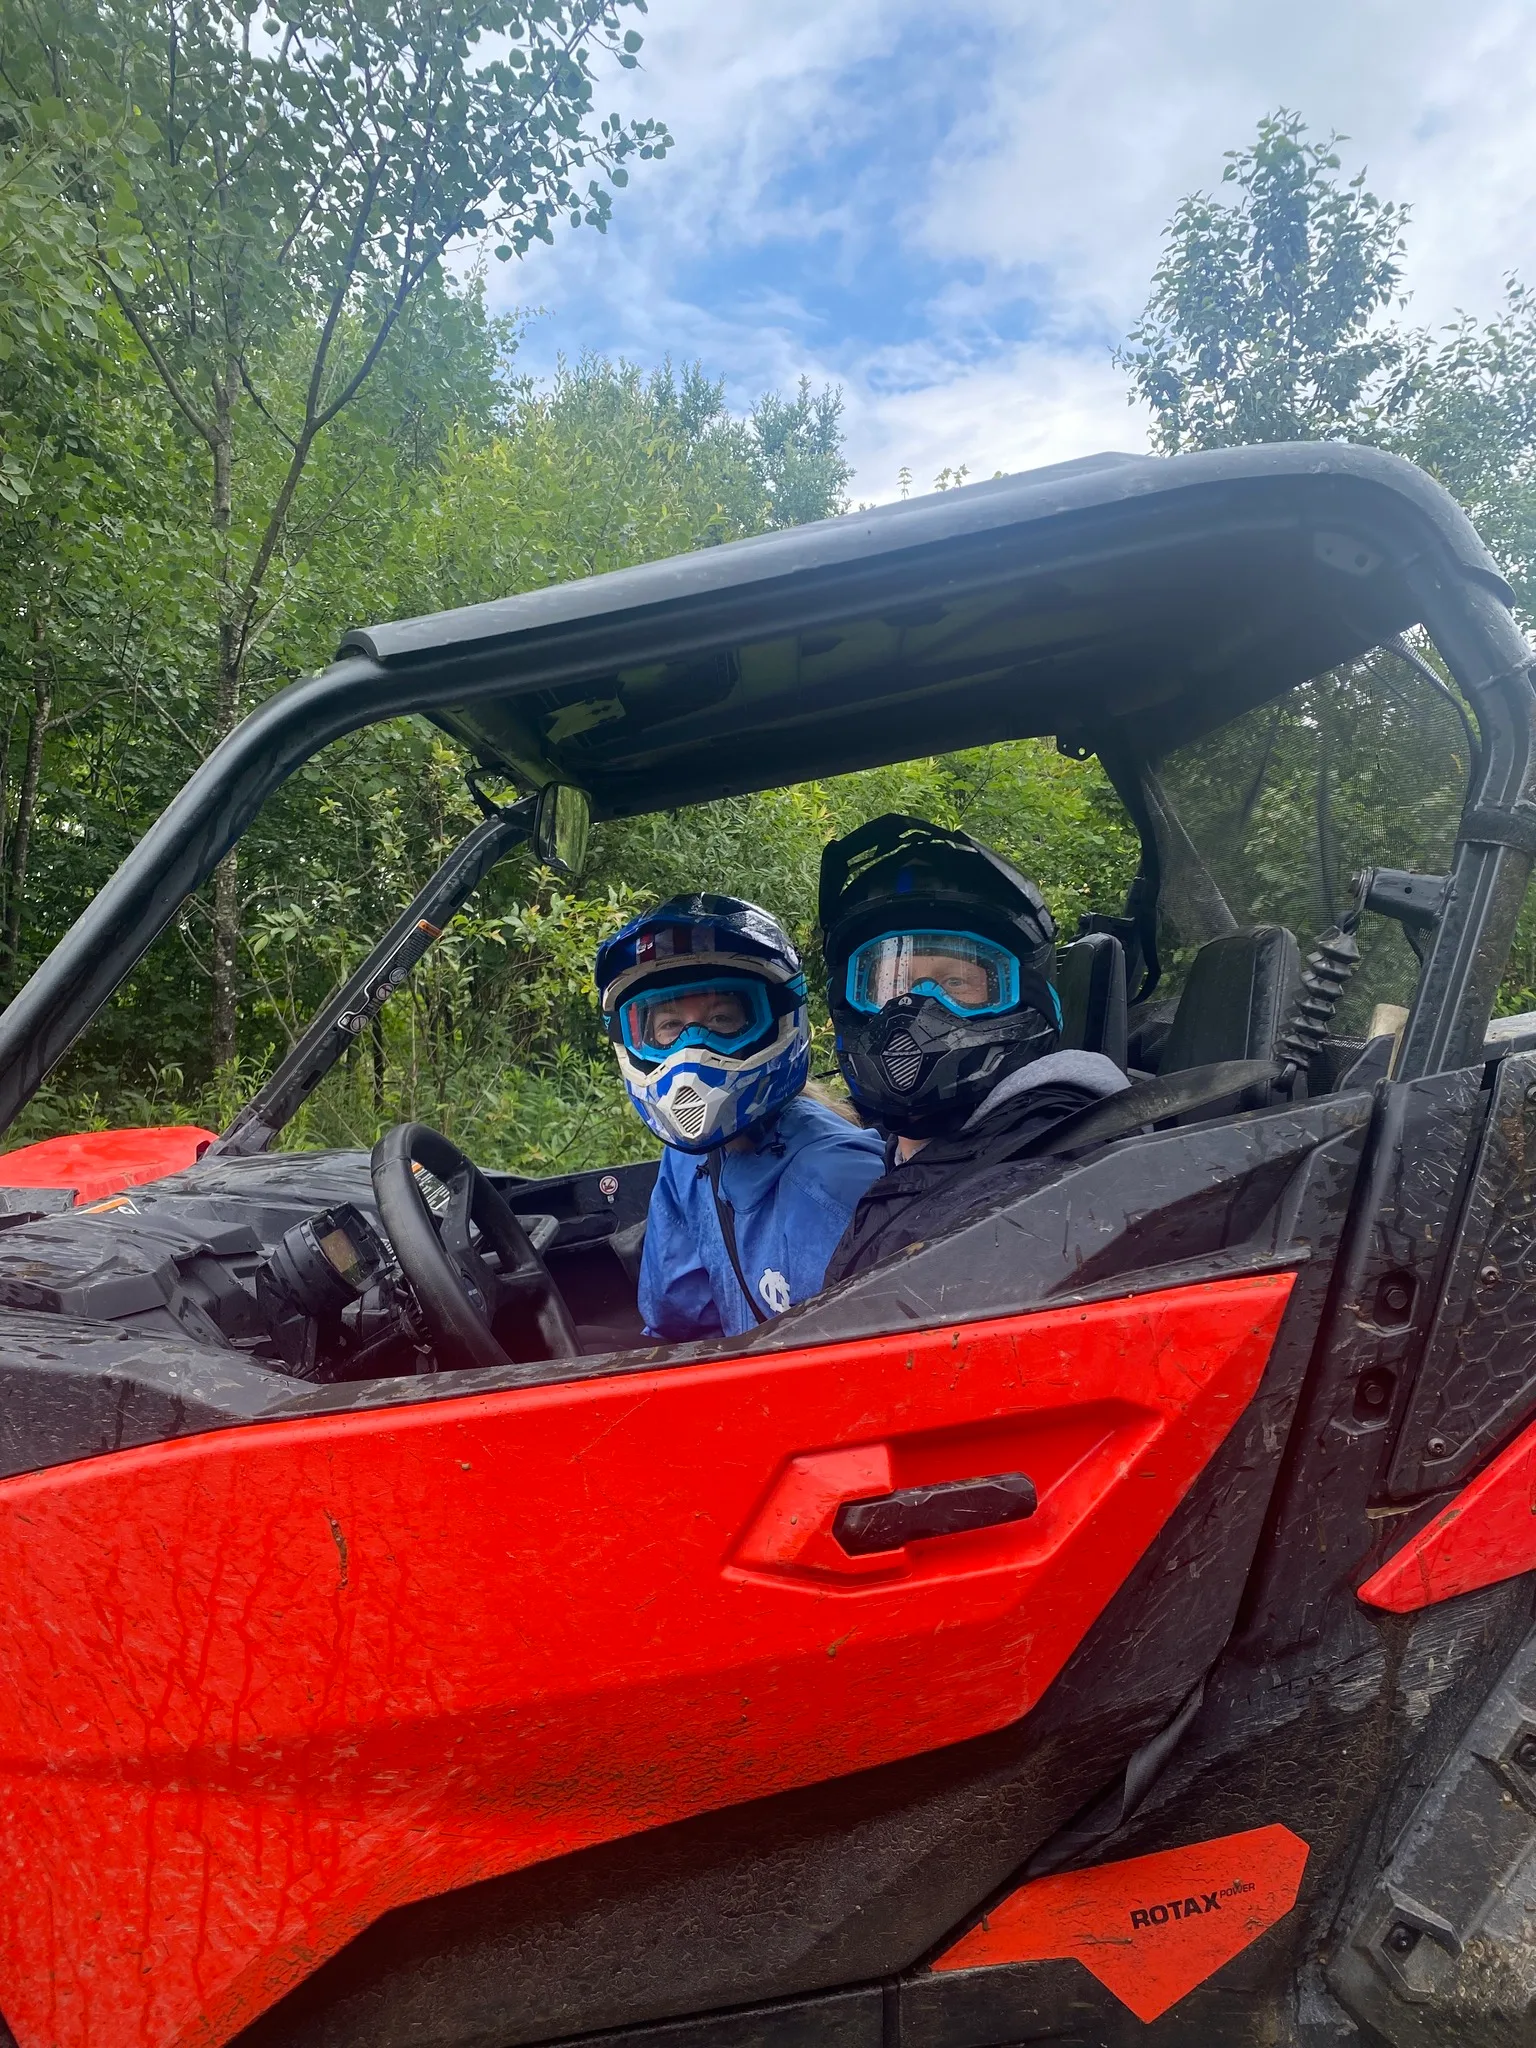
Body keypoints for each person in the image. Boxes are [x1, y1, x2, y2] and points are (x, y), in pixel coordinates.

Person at [818, 814, 1131, 1283]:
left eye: (956, 982)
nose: (916, 1007)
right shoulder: (912, 1152)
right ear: (851, 996)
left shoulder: (1046, 1176)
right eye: (891, 982)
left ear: (1024, 990)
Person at [596, 893, 885, 1341]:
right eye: (670, 1026)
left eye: (722, 1020)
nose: (692, 1051)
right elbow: (679, 1322)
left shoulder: (838, 1181)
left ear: (778, 1020)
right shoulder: (688, 1157)